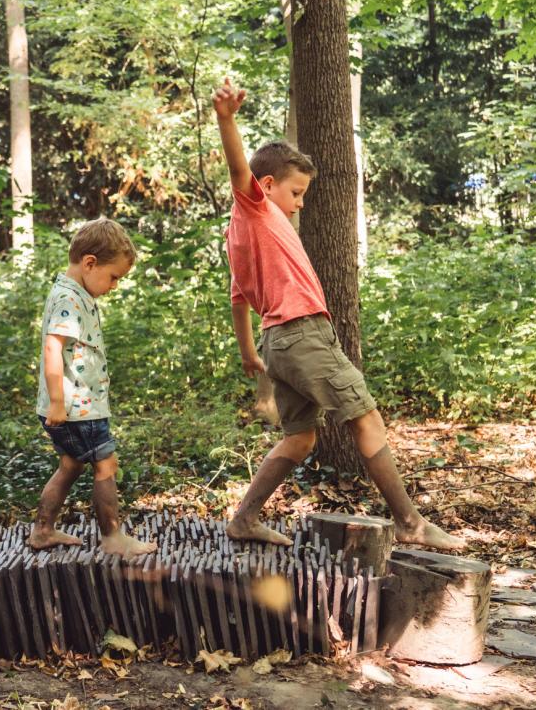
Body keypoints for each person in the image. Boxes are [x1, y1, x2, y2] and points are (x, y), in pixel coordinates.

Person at [214, 79, 465, 550]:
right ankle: (410, 522)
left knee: (300, 439)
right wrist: (227, 119)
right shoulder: (256, 209)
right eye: (296, 193)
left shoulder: (239, 236)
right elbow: (237, 169)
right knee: (366, 418)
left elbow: (239, 299)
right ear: (267, 187)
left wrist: (251, 355)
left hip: (277, 343)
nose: (300, 203)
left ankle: (244, 518)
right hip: (303, 335)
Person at [28, 219, 158, 559]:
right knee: (106, 464)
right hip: (76, 406)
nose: (114, 285)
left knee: (71, 464)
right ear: (89, 263)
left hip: (75, 404)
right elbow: (52, 348)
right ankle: (112, 536)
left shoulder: (71, 293)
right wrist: (59, 401)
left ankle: (43, 530)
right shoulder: (69, 299)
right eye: (113, 276)